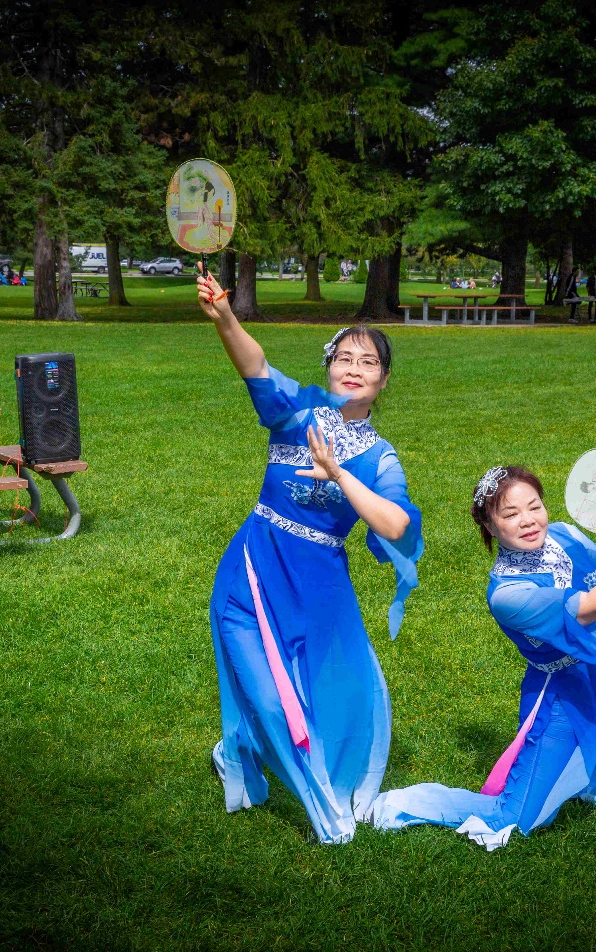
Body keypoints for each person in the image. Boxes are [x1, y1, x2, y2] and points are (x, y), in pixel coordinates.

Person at [195, 271, 424, 844]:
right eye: (344, 357)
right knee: (271, 699)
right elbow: (254, 364)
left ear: (384, 380)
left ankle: (236, 748)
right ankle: (324, 811)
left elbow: (397, 524)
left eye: (367, 362)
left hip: (320, 587)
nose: (353, 368)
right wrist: (225, 316)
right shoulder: (296, 411)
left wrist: (341, 474)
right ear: (328, 367)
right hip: (252, 569)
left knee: (328, 691)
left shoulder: (382, 459)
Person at [370, 466, 596, 848]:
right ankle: (407, 803)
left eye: (534, 506)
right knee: (512, 819)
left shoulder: (566, 536)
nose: (528, 521)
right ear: (490, 526)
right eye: (510, 514)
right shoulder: (508, 594)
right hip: (561, 703)